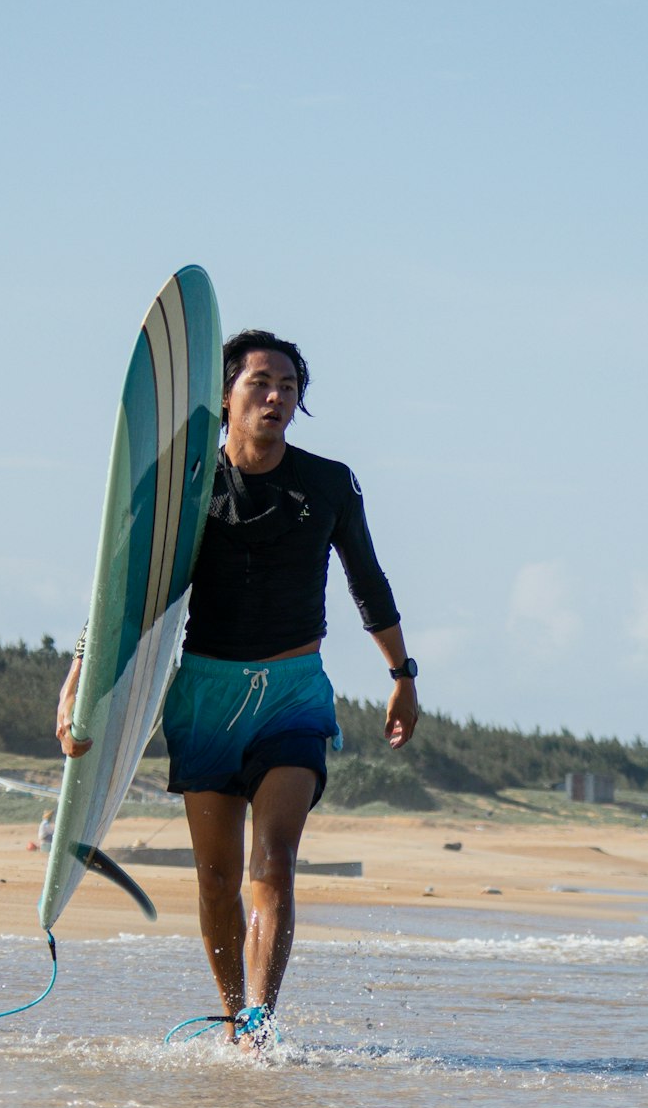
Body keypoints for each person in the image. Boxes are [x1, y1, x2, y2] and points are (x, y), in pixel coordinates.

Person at [56, 330, 418, 1049]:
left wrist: (402, 674)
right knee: (218, 879)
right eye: (260, 382)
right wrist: (77, 684)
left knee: (273, 861)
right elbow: (121, 595)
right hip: (206, 696)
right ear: (225, 397)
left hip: (292, 691)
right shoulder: (186, 495)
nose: (277, 396)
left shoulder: (328, 484)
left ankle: (259, 1019)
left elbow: (367, 581)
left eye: (288, 385)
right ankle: (230, 1012)